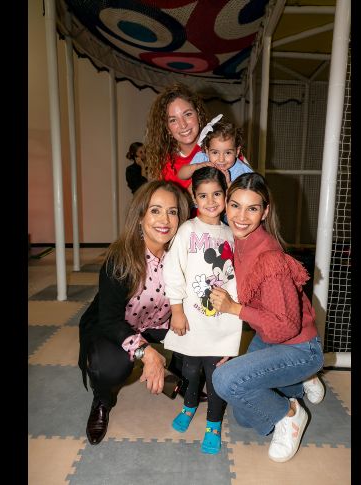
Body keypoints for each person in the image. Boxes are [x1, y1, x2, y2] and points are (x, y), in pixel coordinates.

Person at [209, 172, 325, 463]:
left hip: (298, 346)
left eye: (252, 208)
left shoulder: (269, 257)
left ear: (265, 211)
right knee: (245, 417)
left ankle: (291, 414)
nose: (241, 216)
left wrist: (234, 308)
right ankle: (298, 384)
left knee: (225, 381)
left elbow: (283, 328)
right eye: (235, 205)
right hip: (269, 338)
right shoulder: (234, 240)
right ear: (226, 204)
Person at [77, 180, 189, 446]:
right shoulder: (120, 259)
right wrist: (147, 354)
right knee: (111, 366)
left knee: (202, 343)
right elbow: (110, 320)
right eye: (155, 210)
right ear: (140, 217)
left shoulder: (183, 255)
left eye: (172, 212)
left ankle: (177, 374)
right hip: (115, 326)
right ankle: (102, 399)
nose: (165, 220)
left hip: (157, 323)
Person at [162, 167, 242, 455]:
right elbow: (173, 271)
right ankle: (189, 405)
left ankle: (213, 423)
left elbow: (240, 278)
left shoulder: (233, 233)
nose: (211, 201)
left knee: (217, 374)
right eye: (203, 195)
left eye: (217, 194)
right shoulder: (187, 231)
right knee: (191, 369)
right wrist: (177, 310)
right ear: (194, 198)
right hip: (192, 318)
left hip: (223, 321)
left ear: (226, 195)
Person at [143, 82, 209, 192]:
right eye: (173, 120)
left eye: (188, 114)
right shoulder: (164, 166)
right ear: (167, 128)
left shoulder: (220, 148)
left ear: (198, 114)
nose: (183, 125)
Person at [177, 115, 253, 187]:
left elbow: (249, 195)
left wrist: (228, 184)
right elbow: (181, 175)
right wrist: (197, 166)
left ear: (237, 151)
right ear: (207, 151)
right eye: (215, 152)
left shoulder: (242, 172)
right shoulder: (202, 159)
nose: (221, 159)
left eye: (228, 153)